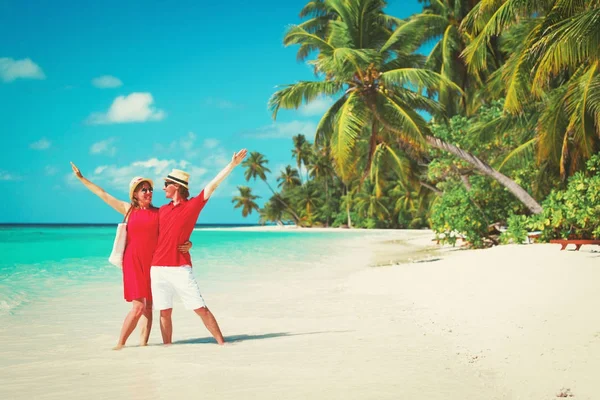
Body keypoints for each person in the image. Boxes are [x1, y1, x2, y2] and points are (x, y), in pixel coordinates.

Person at [70, 162, 192, 350]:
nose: (148, 192)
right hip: (133, 262)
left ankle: (143, 345)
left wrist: (189, 243)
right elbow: (103, 194)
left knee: (149, 307)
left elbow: (176, 231)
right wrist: (82, 178)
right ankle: (120, 344)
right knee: (138, 307)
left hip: (153, 263)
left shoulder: (160, 213)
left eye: (150, 189)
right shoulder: (128, 209)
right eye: (144, 189)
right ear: (135, 193)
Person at [151, 149, 248, 345]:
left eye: (166, 184)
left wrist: (232, 165)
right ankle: (167, 348)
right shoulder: (162, 210)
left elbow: (213, 185)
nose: (163, 188)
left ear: (176, 186)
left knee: (200, 308)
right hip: (157, 268)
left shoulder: (192, 205)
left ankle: (222, 343)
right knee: (164, 312)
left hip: (180, 267)